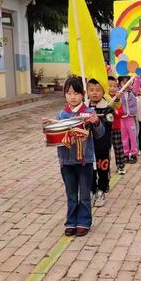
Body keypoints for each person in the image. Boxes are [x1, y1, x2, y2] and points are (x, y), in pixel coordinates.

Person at [43, 77, 104, 237]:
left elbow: (100, 134)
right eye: (69, 93)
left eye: (76, 93)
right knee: (70, 193)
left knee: (84, 194)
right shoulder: (62, 114)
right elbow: (54, 137)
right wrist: (49, 127)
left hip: (85, 160)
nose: (72, 97)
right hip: (66, 161)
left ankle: (83, 222)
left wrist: (96, 123)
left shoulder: (89, 113)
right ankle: (71, 222)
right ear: (65, 95)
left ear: (83, 94)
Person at [87, 78, 118, 206]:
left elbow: (108, 124)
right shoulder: (84, 108)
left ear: (103, 91)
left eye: (98, 90)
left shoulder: (107, 109)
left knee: (102, 169)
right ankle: (91, 190)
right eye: (91, 90)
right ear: (87, 91)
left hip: (102, 145)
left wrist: (97, 121)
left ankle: (101, 191)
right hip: (88, 146)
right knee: (90, 170)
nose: (95, 93)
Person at [118, 75, 141, 163]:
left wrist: (137, 76)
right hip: (122, 118)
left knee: (133, 136)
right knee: (124, 137)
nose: (126, 84)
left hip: (130, 118)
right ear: (120, 83)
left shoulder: (133, 92)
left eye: (128, 82)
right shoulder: (119, 92)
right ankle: (126, 154)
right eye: (123, 82)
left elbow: (137, 83)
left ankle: (134, 154)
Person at [108, 77, 126, 175]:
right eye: (110, 86)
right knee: (106, 149)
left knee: (118, 148)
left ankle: (121, 166)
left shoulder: (118, 99)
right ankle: (106, 168)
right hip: (105, 129)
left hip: (116, 128)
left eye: (115, 86)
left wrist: (114, 108)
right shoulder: (103, 99)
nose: (113, 88)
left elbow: (120, 113)